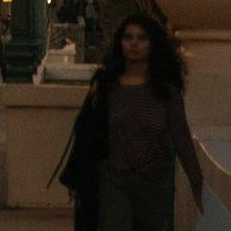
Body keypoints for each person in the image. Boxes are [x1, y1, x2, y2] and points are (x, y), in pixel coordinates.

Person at [60, 12, 203, 230]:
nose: (134, 43)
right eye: (128, 37)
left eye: (142, 38)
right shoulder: (107, 85)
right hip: (113, 178)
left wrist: (196, 179)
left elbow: (180, 134)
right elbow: (87, 130)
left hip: (153, 181)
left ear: (152, 43)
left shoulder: (166, 91)